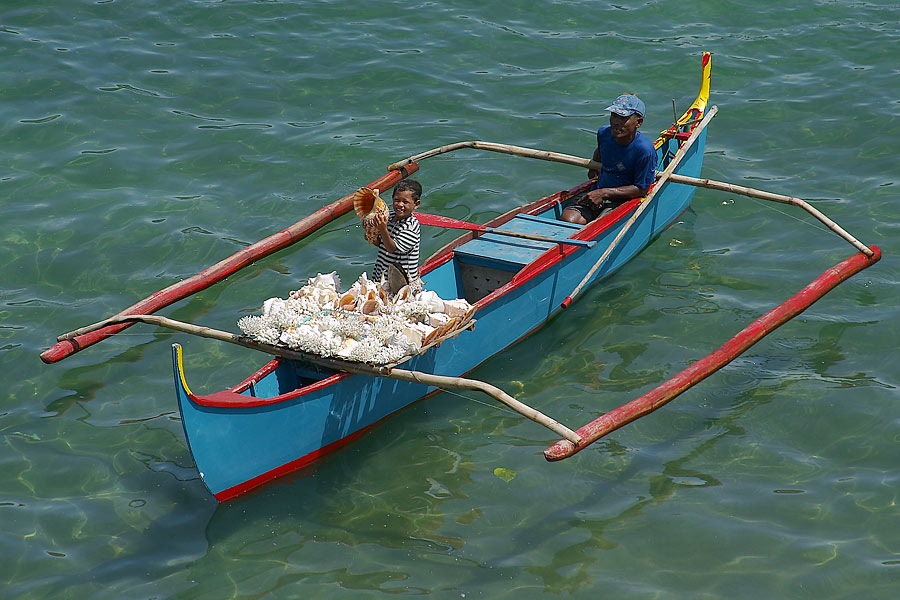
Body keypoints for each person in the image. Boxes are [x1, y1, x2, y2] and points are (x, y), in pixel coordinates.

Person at [561, 93, 657, 225]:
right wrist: (593, 169)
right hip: (600, 190)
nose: (616, 122)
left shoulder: (644, 150)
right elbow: (599, 153)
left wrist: (604, 193)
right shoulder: (604, 133)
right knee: (569, 220)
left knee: (597, 227)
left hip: (623, 199)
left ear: (638, 122)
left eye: (623, 118)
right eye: (614, 116)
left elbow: (642, 189)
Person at [371, 179, 422, 288]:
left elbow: (391, 248)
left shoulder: (411, 227)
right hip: (381, 273)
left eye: (405, 202)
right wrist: (372, 234)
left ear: (416, 204)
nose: (400, 205)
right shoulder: (389, 217)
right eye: (396, 200)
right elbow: (381, 243)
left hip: (401, 281)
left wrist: (383, 229)